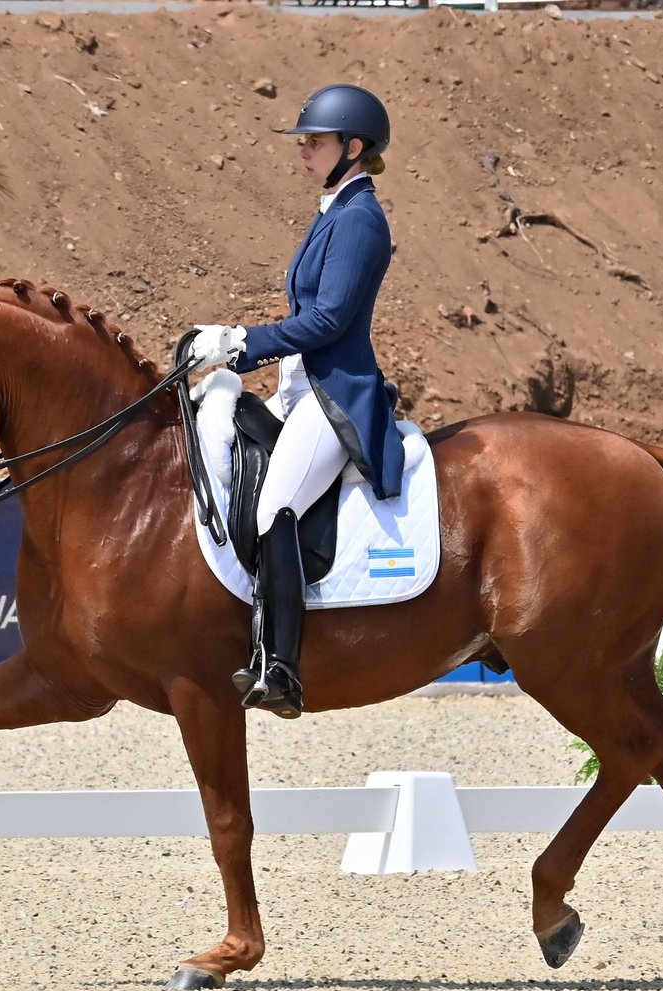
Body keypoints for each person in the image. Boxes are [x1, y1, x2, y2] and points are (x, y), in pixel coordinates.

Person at [190, 83, 406, 719]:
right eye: (304, 142)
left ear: (353, 147)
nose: (303, 151)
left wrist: (242, 341)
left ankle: (279, 666)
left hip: (333, 395)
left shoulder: (359, 219)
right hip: (297, 389)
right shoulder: (333, 211)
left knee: (274, 506)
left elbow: (329, 320)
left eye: (315, 142)